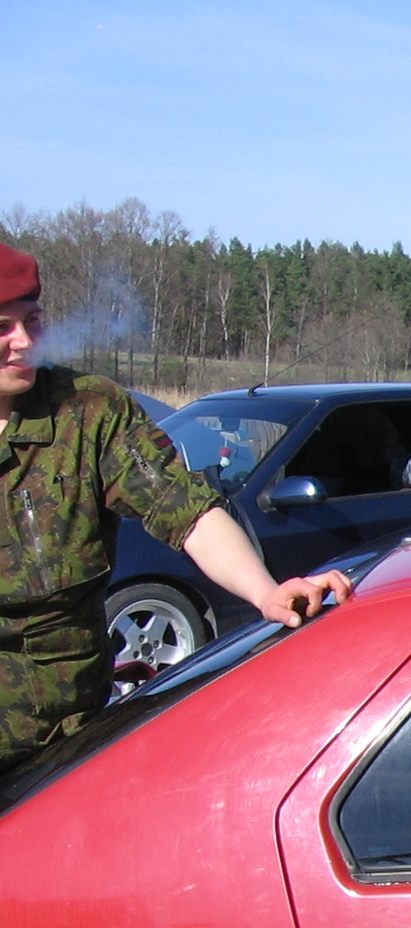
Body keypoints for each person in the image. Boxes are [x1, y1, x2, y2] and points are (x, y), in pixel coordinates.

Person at [0, 242, 351, 771]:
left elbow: (186, 511)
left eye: (33, 321)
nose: (24, 342)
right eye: (2, 327)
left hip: (57, 749)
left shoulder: (87, 413)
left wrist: (266, 592)